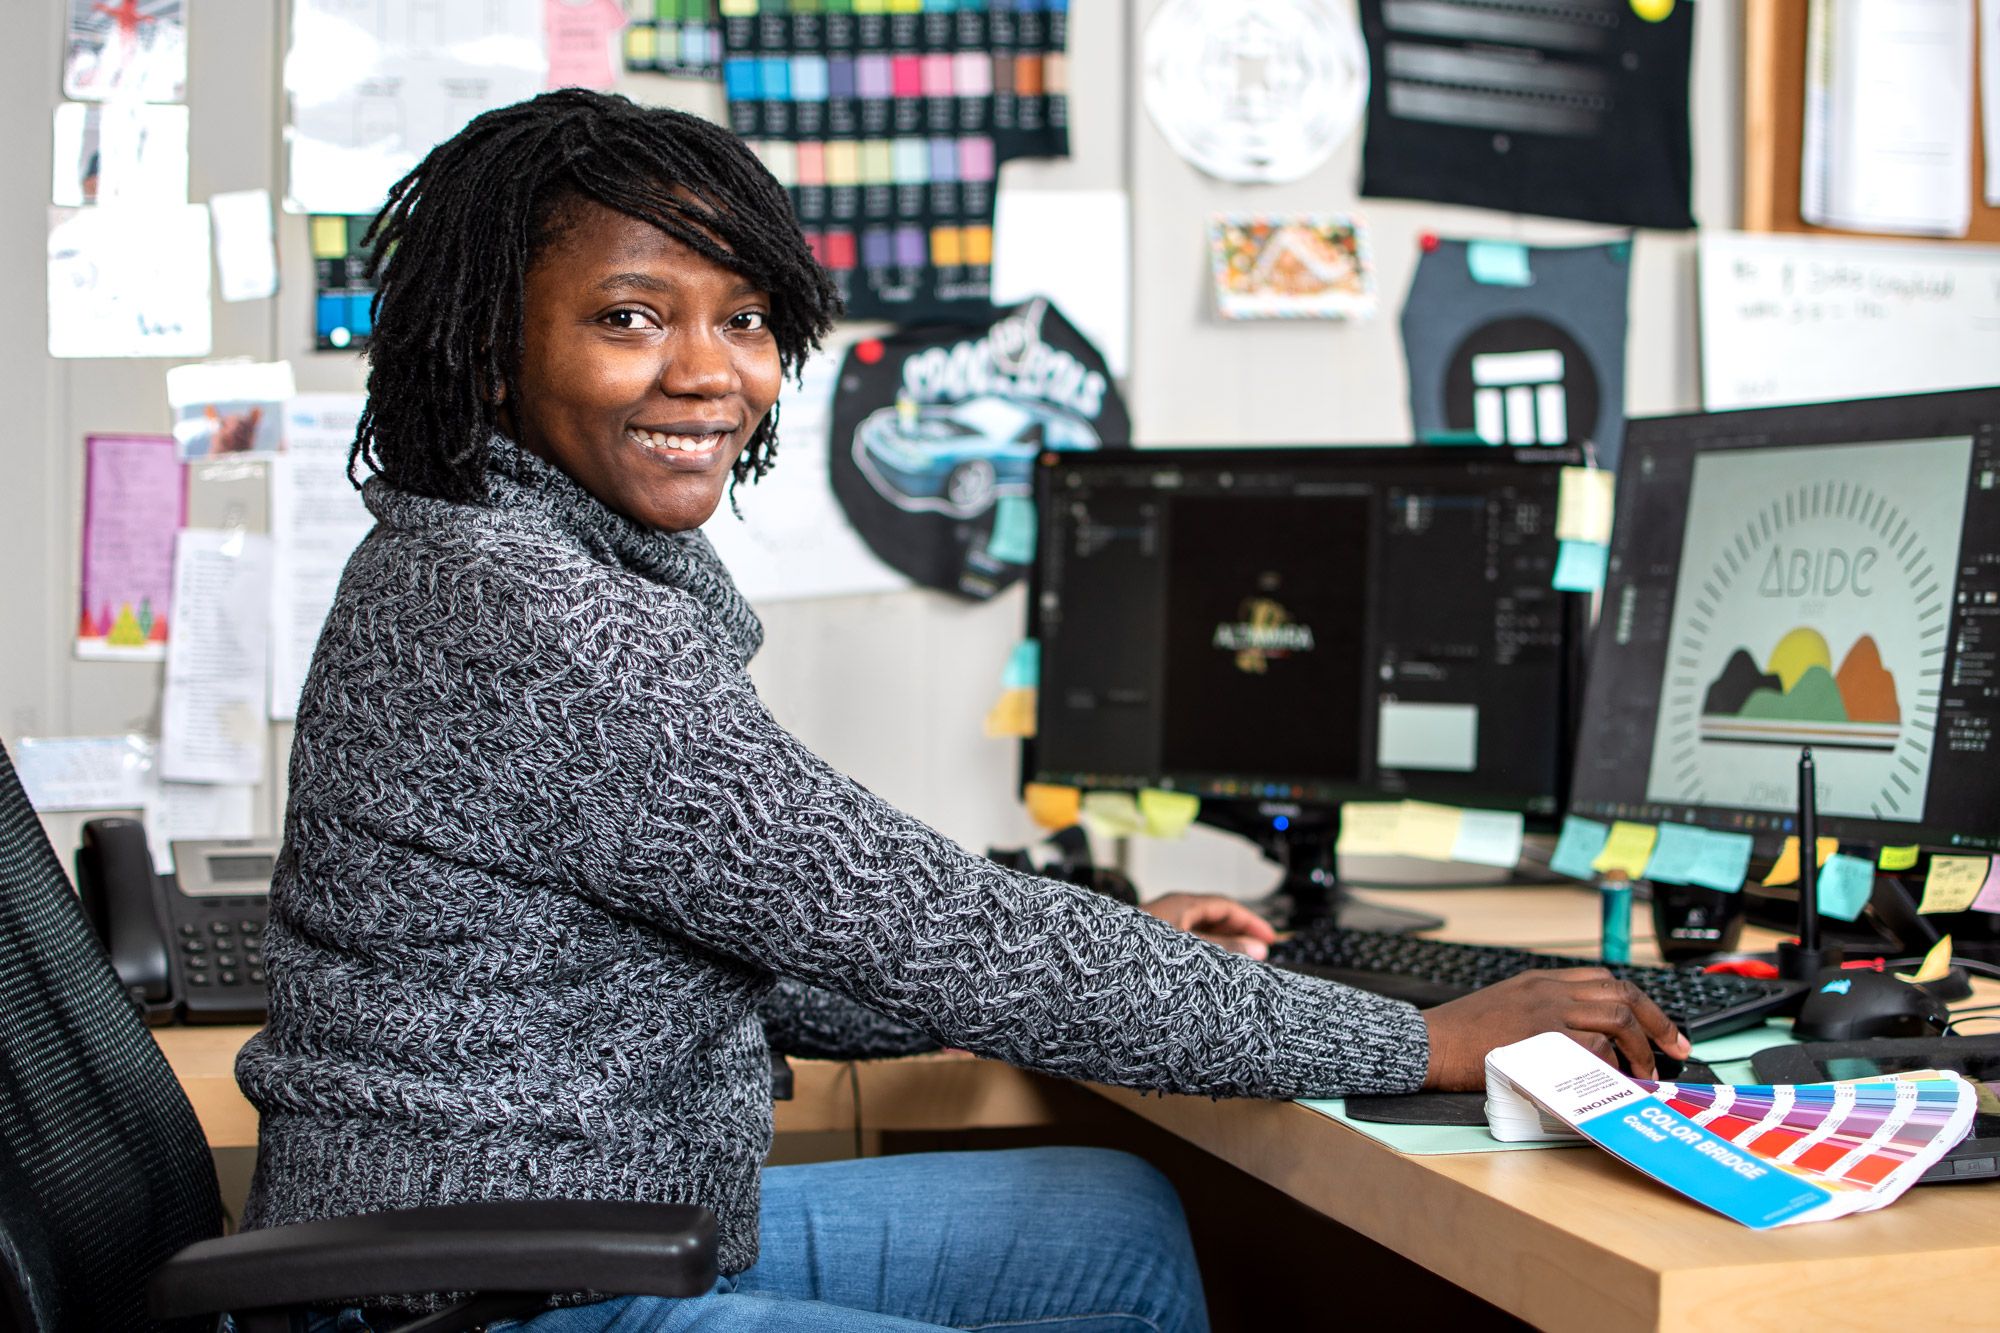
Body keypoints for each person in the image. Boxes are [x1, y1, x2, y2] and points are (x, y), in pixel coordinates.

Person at [235, 89, 1686, 1333]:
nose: (709, 372)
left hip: (568, 1234)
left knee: (1111, 1223)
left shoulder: (519, 558)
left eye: (742, 318)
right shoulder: (536, 614)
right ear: (493, 352)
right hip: (485, 1288)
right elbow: (945, 934)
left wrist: (1129, 940)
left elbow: (771, 949)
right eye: (631, 317)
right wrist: (1415, 1040)